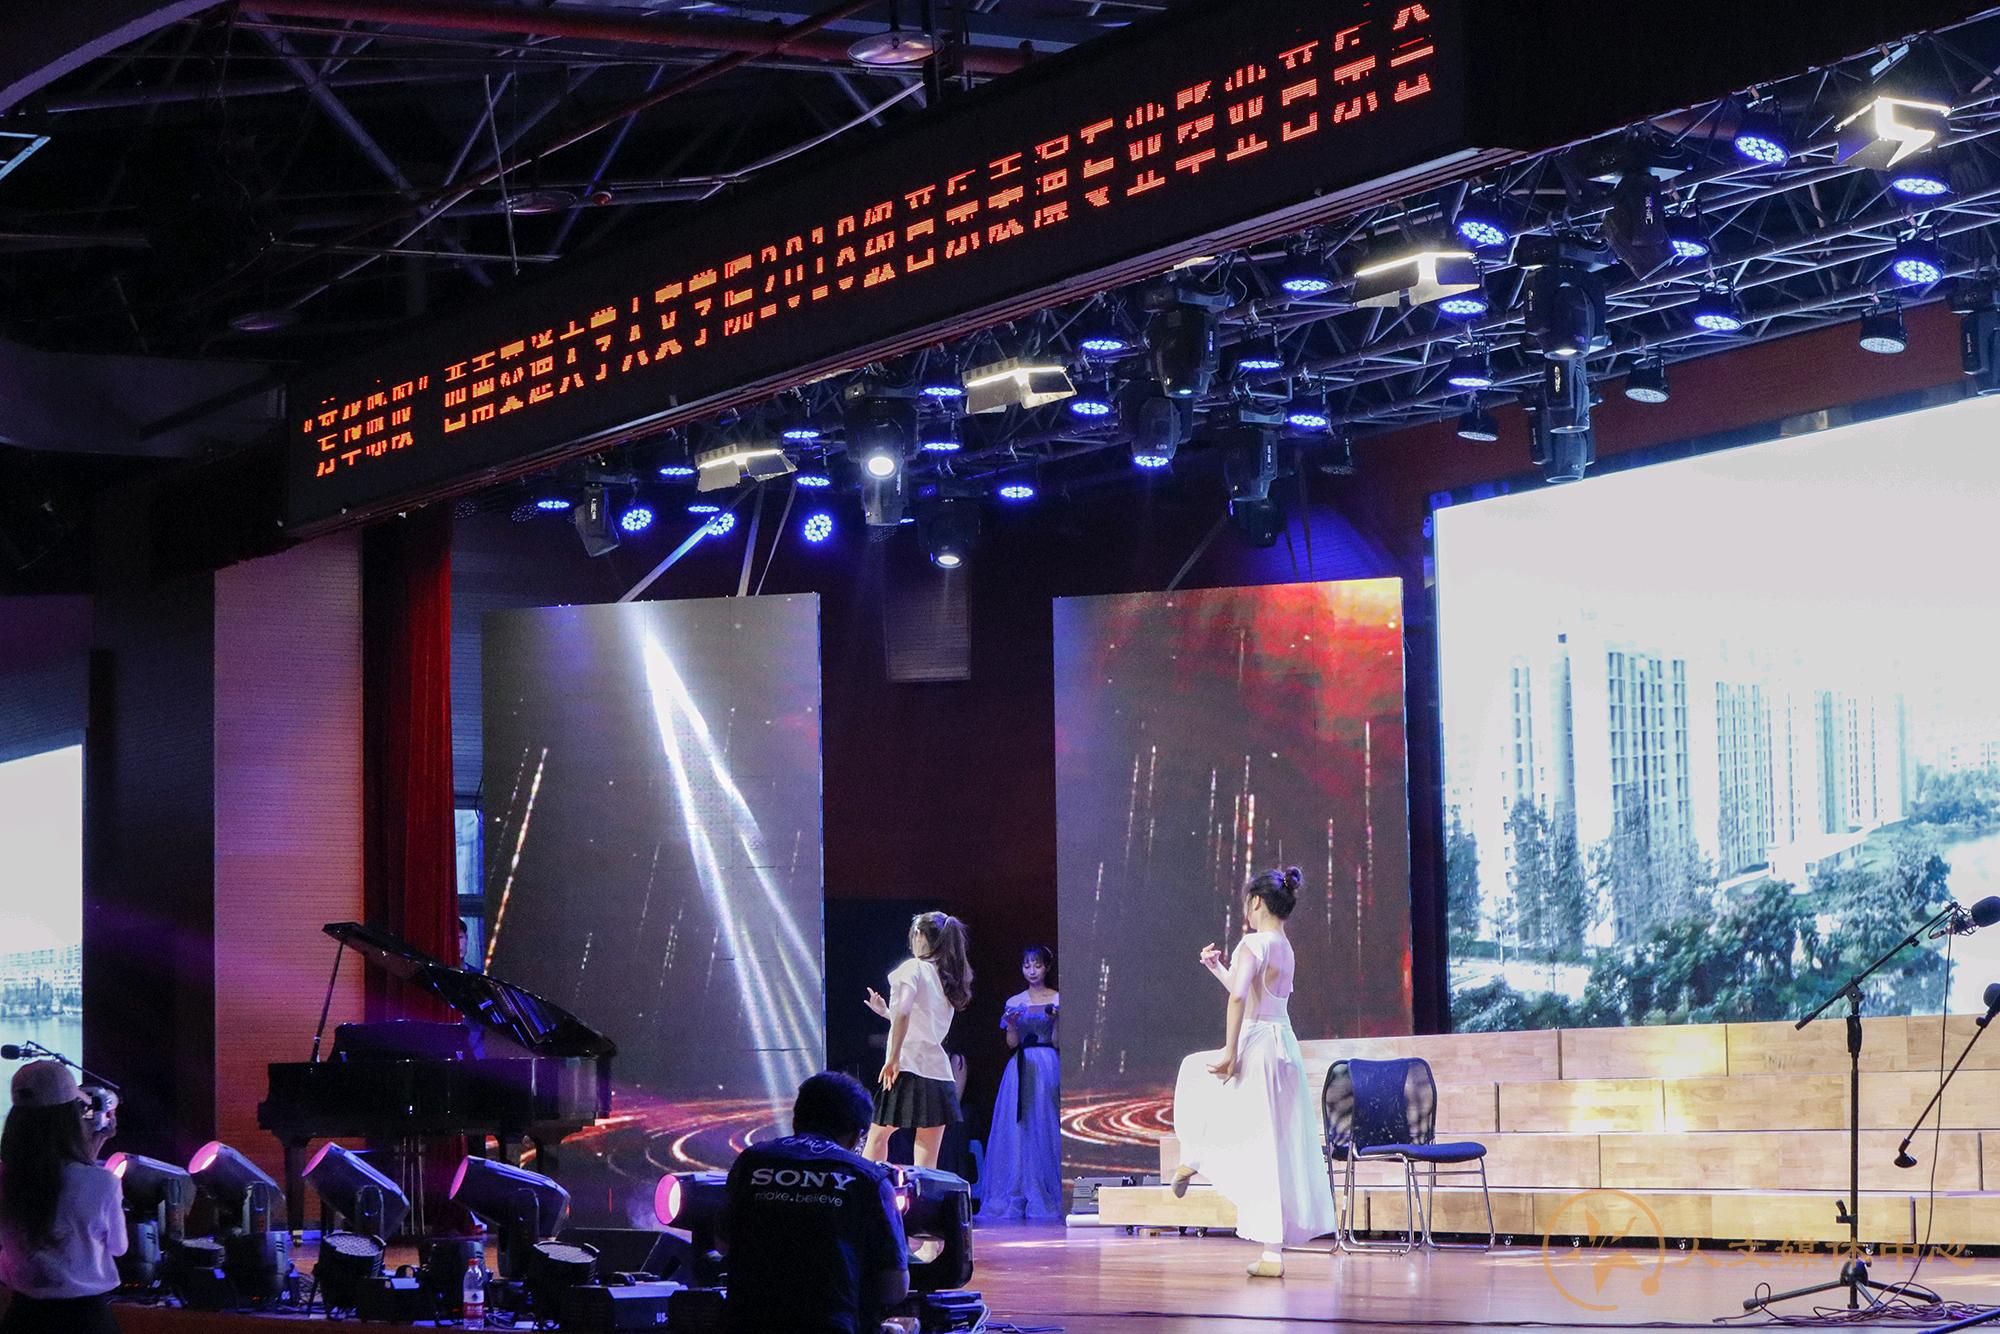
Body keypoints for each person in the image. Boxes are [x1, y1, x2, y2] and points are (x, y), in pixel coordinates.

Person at [1169, 868, 1337, 1277]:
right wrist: (1216, 968)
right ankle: (1271, 1254)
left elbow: (1240, 998)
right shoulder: (1284, 947)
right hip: (1284, 1046)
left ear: (1256, 901)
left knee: (1195, 1076)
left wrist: (1230, 1049)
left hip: (1258, 1042)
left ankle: (1194, 1157)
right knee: (1273, 1146)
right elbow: (1249, 991)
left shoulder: (1253, 942)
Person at [722, 1072, 907, 1334]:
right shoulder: (869, 1178)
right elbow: (894, 1288)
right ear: (857, 1136)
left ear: (795, 1120)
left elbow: (723, 1243)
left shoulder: (752, 1161)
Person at [0, 1062, 126, 1334]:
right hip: (87, 1320)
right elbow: (118, 1247)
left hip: (22, 1318)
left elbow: (51, 1182)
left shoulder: (5, 1179)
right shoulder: (103, 1182)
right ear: (71, 1117)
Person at [863, 912, 972, 1169]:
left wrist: (893, 1058)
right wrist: (886, 1012)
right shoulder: (946, 977)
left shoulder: (913, 967)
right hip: (937, 1073)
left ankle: (868, 1190)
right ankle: (923, 1197)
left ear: (920, 935)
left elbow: (904, 1013)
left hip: (907, 1066)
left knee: (877, 1138)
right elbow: (920, 1021)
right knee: (926, 1156)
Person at [980, 945, 1061, 1221]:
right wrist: (1013, 1024)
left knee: (1045, 1122)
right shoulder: (1015, 1000)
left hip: (1047, 1063)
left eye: (1037, 965)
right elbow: (1011, 1042)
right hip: (1020, 1065)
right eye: (1027, 965)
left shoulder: (1057, 998)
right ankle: (1016, 1191)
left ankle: (1049, 1189)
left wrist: (1057, 1020)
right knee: (1018, 1127)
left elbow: (1057, 1042)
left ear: (1046, 967)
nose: (1032, 971)